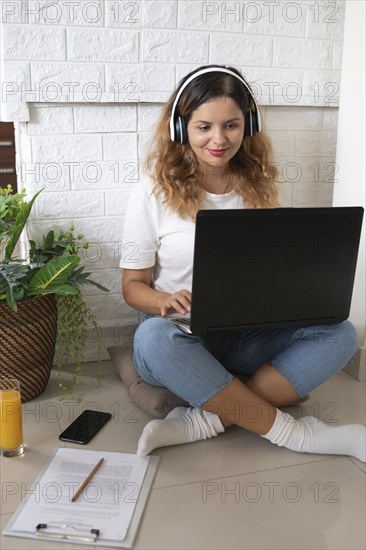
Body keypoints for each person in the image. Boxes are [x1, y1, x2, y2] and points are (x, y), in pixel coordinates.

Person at [120, 65, 365, 462]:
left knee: (341, 334)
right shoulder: (151, 191)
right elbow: (132, 287)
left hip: (248, 336)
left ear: (247, 125)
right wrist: (162, 301)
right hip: (182, 338)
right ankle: (297, 434)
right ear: (181, 129)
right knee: (151, 338)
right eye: (204, 127)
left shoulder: (259, 183)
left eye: (231, 125)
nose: (219, 140)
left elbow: (268, 271)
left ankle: (205, 420)